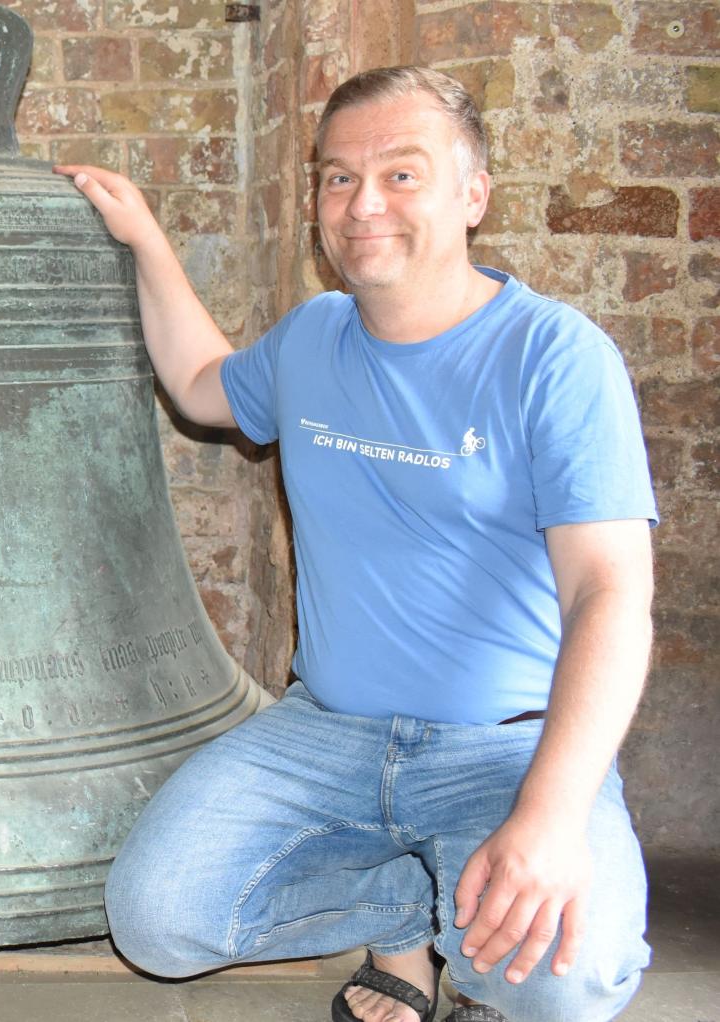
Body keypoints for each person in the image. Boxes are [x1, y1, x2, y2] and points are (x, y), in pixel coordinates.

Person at [57, 65, 654, 1022]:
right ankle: (411, 915)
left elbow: (610, 597)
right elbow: (205, 384)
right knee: (157, 921)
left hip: (501, 748)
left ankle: (459, 920)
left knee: (564, 984)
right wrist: (145, 240)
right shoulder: (314, 338)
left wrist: (547, 817)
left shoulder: (556, 356)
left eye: (401, 175)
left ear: (474, 195)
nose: (362, 203)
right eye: (337, 178)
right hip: (326, 732)